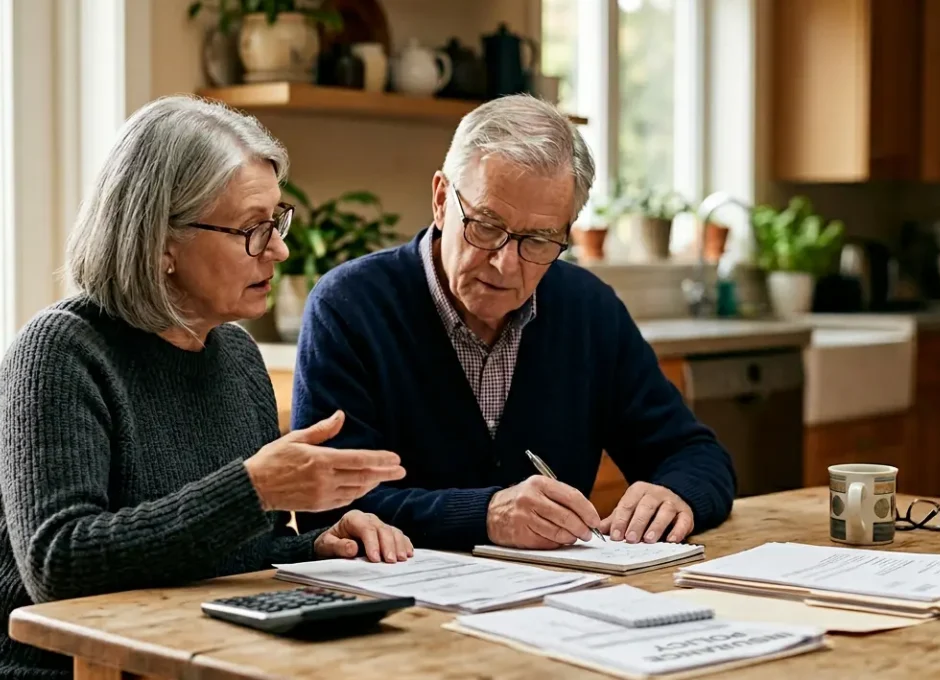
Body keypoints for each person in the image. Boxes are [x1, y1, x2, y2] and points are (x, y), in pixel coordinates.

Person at [0, 96, 412, 680]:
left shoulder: (235, 355)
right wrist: (252, 489)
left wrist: (318, 546)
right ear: (161, 245)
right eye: (252, 230)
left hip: (172, 657)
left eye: (276, 221)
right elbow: (59, 564)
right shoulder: (59, 352)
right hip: (30, 669)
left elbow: (221, 551)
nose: (279, 249)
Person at [291, 95, 736, 552]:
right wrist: (485, 516)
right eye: (486, 226)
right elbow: (326, 507)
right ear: (442, 200)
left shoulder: (589, 309)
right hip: (399, 603)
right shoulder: (350, 305)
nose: (505, 264)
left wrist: (675, 494)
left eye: (540, 240)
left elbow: (697, 455)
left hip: (559, 605)